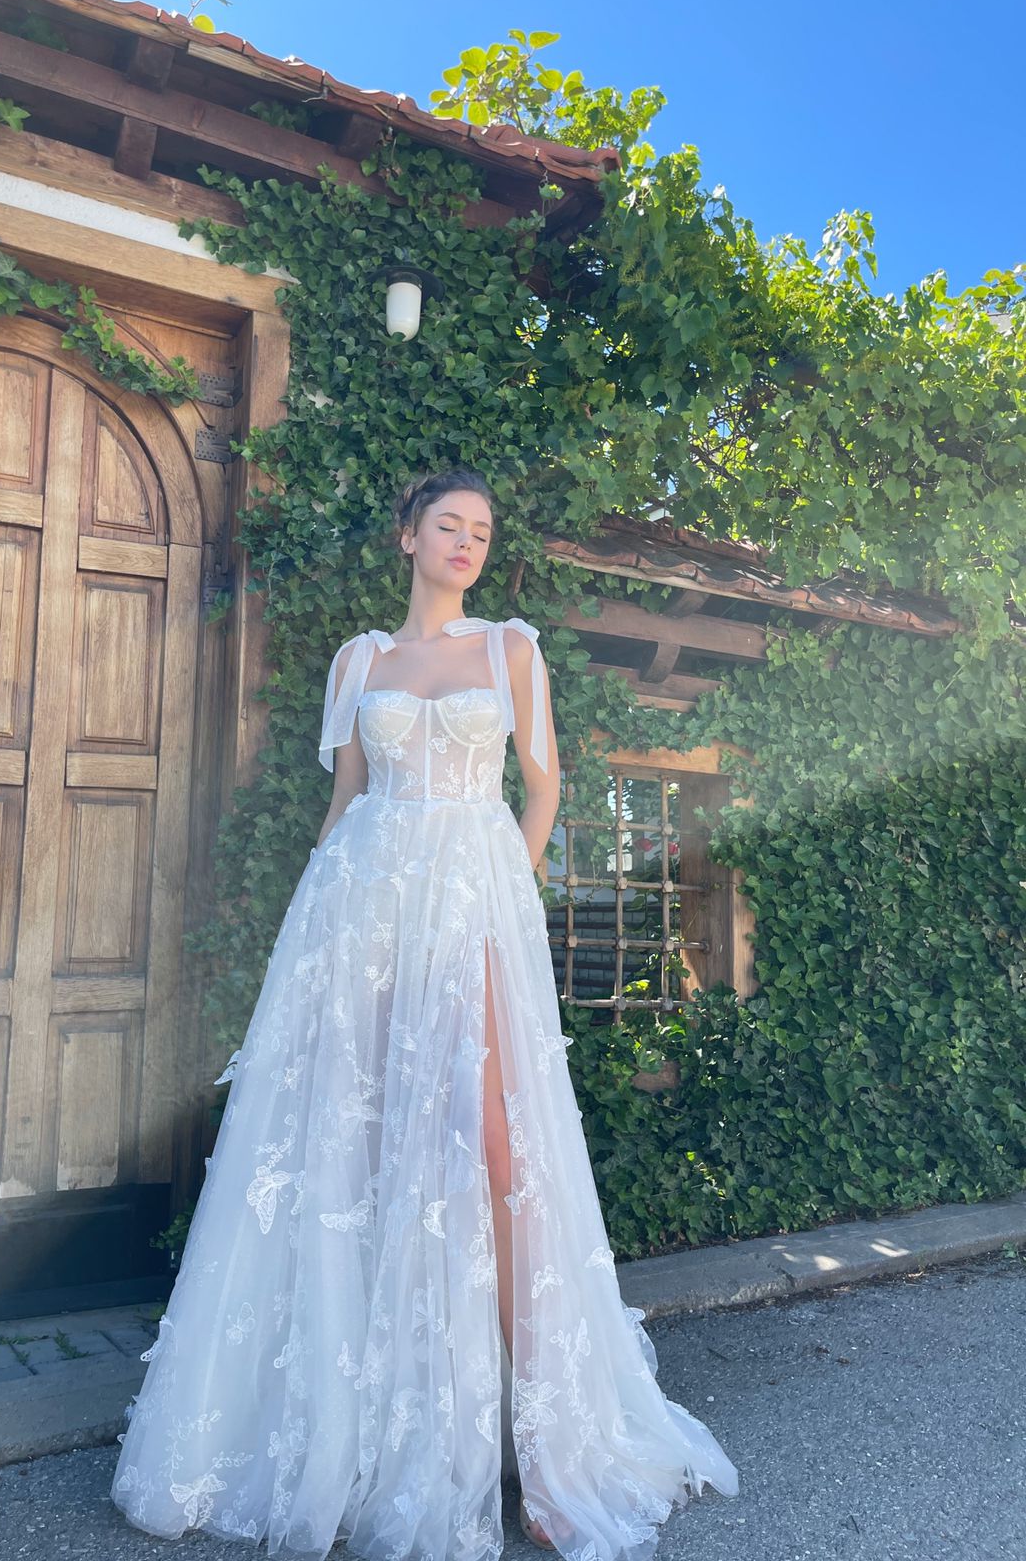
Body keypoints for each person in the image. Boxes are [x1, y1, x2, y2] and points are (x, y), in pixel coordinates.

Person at [110, 467, 739, 1559]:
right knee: (358, 1151)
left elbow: (540, 788)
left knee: (497, 1154)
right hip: (361, 915)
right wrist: (304, 945)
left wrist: (505, 900)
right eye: (448, 524)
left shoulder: (511, 649)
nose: (466, 542)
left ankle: (547, 1452)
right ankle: (361, 1437)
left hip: (474, 914)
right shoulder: (360, 661)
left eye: (482, 530)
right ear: (407, 535)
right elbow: (344, 799)